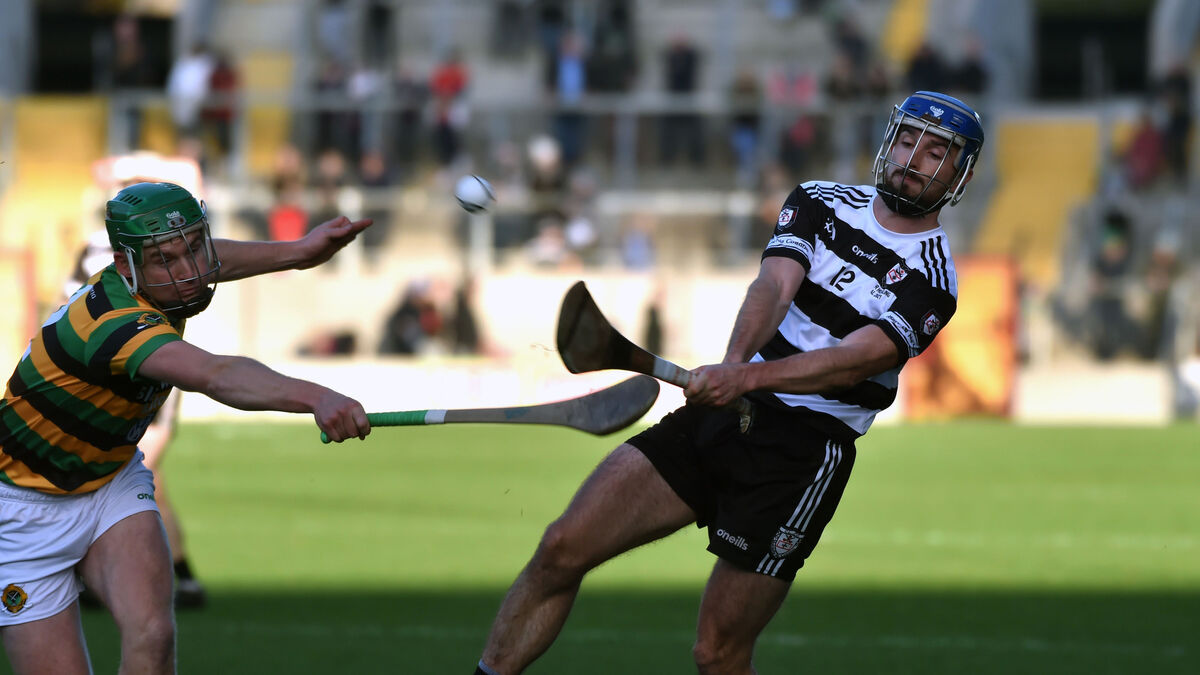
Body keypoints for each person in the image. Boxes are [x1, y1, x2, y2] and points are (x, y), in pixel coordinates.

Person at [473, 91, 984, 674]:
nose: (913, 159)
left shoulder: (934, 279)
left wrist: (743, 375)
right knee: (561, 548)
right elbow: (774, 287)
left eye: (935, 152)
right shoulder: (819, 201)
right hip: (725, 413)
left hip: (800, 455)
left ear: (960, 175)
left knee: (718, 654)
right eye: (907, 140)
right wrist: (733, 364)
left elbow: (851, 361)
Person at [0, 181, 372, 674]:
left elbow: (215, 259)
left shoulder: (159, 278)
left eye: (194, 247)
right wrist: (316, 397)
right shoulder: (112, 323)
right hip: (20, 508)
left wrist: (300, 252)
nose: (189, 272)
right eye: (165, 259)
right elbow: (215, 374)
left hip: (109, 480)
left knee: (153, 636)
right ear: (125, 264)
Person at [64, 232, 208, 610]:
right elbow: (70, 306)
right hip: (110, 380)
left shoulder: (156, 247)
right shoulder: (95, 250)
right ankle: (172, 577)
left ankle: (170, 577)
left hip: (149, 373)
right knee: (135, 480)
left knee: (140, 475)